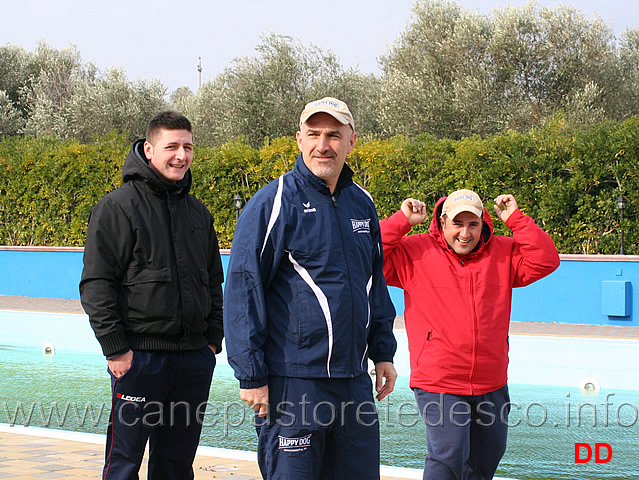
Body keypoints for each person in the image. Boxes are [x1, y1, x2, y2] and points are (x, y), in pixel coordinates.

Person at [223, 97, 398, 479]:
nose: (324, 145)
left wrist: (382, 350)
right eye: (314, 134)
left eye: (334, 135)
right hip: (294, 381)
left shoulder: (362, 203)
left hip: (353, 382)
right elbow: (243, 289)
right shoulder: (274, 202)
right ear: (299, 139)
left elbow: (374, 283)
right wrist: (251, 375)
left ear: (351, 141)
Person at [79, 111, 224, 480]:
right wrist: (116, 349)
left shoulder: (199, 213)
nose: (181, 156)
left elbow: (213, 283)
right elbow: (97, 284)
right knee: (124, 462)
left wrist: (211, 342)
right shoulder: (116, 208)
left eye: (188, 147)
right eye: (171, 146)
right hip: (139, 360)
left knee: (176, 465)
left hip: (192, 360)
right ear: (149, 149)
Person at [380, 189, 560, 480]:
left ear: (483, 225)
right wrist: (402, 220)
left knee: (487, 457)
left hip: (491, 380)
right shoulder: (415, 251)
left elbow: (545, 260)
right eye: (457, 223)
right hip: (440, 380)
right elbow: (367, 251)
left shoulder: (503, 252)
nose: (465, 233)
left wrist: (516, 219)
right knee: (448, 456)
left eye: (473, 224)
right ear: (442, 222)